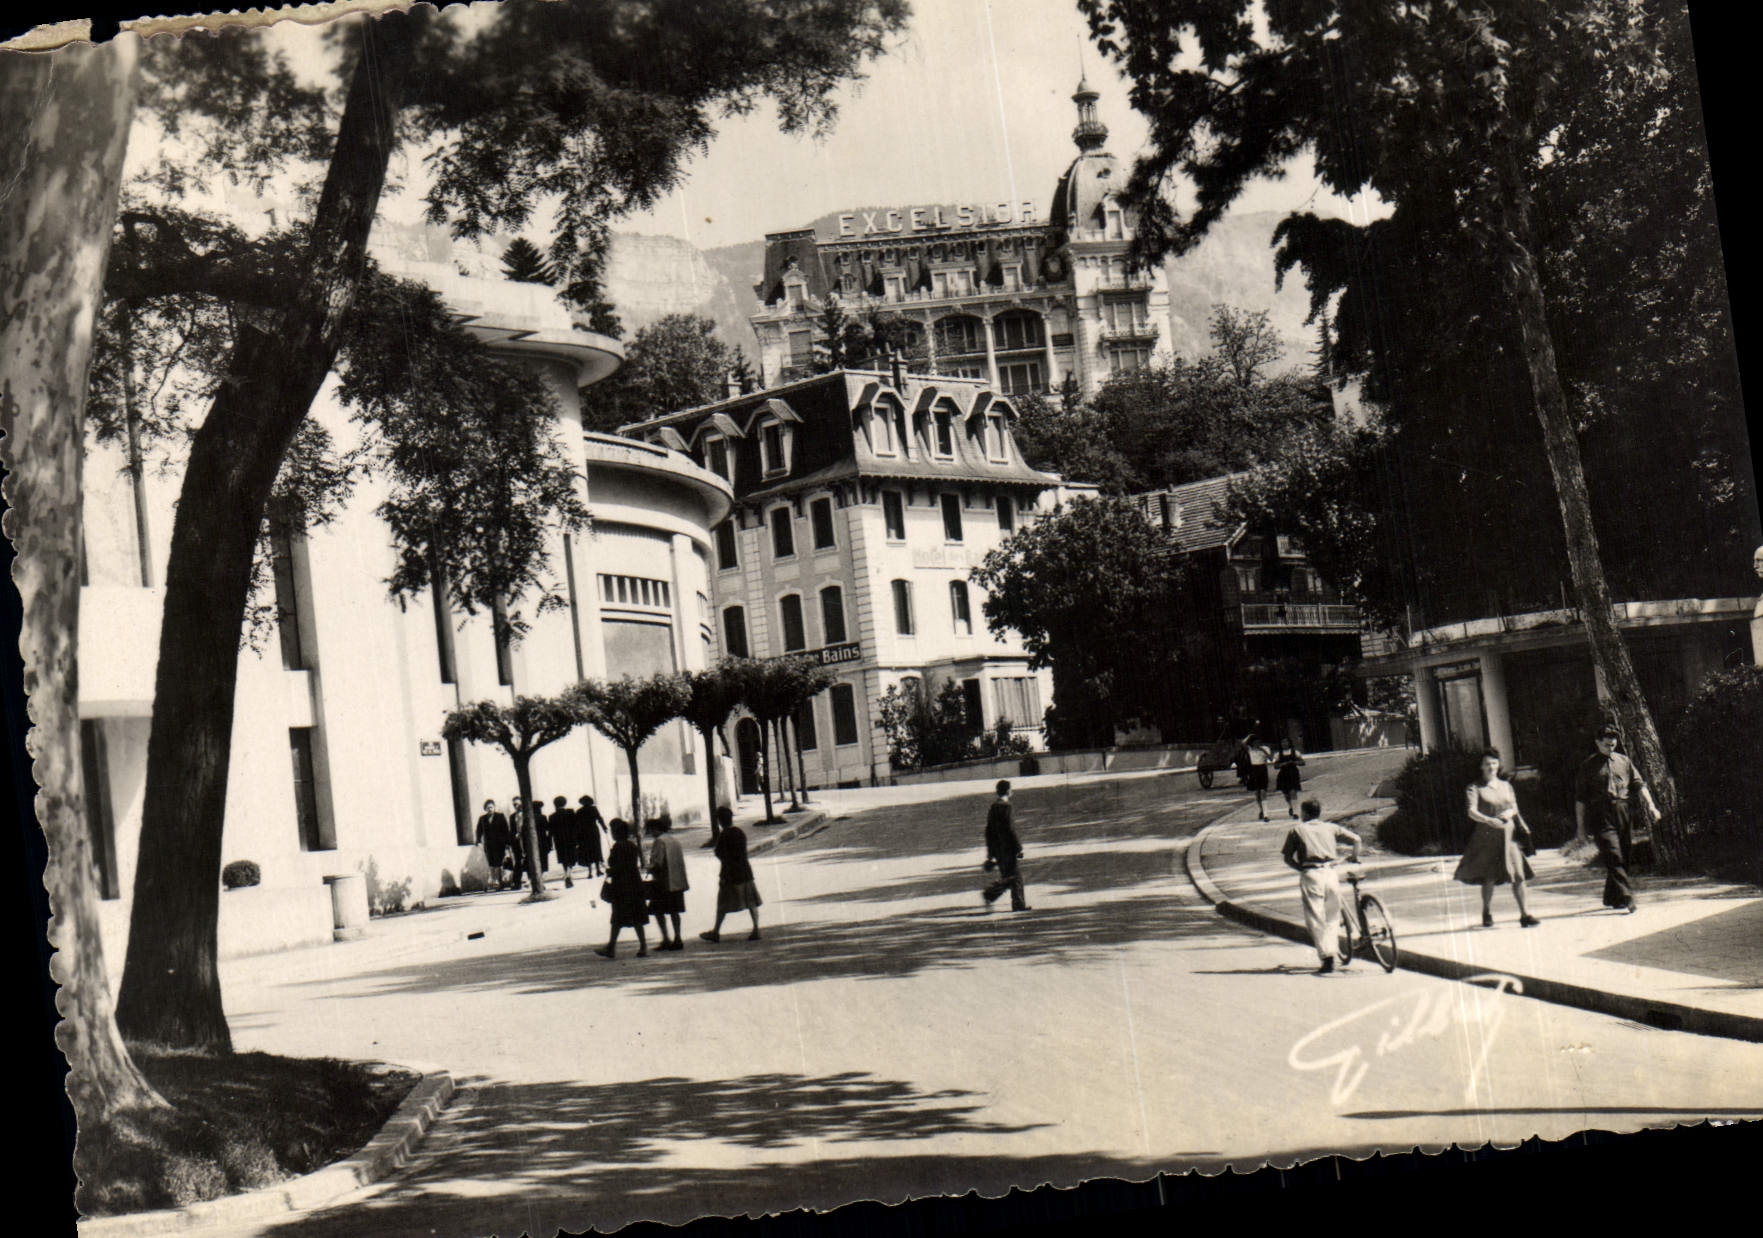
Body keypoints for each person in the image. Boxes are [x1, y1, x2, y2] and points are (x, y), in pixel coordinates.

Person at [1574, 724, 1660, 913]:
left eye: (1613, 743)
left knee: (1624, 854)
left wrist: (1651, 806)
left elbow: (1639, 785)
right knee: (1614, 855)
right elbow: (1580, 800)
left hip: (1622, 811)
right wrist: (1580, 828)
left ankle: (1612, 897)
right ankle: (1627, 897)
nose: (1610, 746)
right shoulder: (1588, 766)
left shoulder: (1624, 761)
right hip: (1600, 815)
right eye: (1607, 744)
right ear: (1597, 742)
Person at [1453, 747, 1539, 928]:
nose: (1491, 767)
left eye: (1494, 763)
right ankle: (1486, 911)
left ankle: (1525, 914)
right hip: (1487, 838)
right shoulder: (1474, 788)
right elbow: (1471, 811)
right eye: (1487, 764)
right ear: (1481, 766)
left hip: (1509, 836)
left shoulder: (1506, 786)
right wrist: (1488, 820)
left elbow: (1514, 807)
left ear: (1498, 765)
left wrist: (1510, 815)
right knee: (1489, 877)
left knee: (1518, 875)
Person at [1281, 798, 1362, 974]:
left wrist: (1300, 869)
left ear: (1304, 813)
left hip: (1311, 874)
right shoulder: (1331, 828)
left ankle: (1327, 957)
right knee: (1333, 916)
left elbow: (1287, 858)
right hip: (1331, 873)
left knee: (1315, 917)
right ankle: (1332, 949)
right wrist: (1354, 857)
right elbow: (1357, 839)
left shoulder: (1297, 830)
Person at [700, 806, 763, 943]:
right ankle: (756, 929)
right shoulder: (740, 832)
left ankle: (716, 931)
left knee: (722, 903)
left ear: (720, 821)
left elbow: (721, 855)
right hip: (745, 871)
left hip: (730, 873)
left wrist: (723, 876)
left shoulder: (724, 835)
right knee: (751, 901)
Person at [594, 819, 648, 959]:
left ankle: (611, 947)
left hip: (622, 887)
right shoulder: (632, 845)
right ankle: (642, 946)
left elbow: (618, 866)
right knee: (636, 917)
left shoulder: (618, 847)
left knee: (617, 919)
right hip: (635, 884)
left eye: (613, 831)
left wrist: (610, 871)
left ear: (617, 833)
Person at [981, 780, 1030, 911]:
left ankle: (993, 895)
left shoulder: (993, 807)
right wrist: (1019, 848)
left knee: (1009, 877)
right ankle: (1013, 903)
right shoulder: (1007, 806)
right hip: (1008, 848)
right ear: (1008, 791)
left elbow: (988, 831)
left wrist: (990, 853)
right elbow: (1010, 829)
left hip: (998, 850)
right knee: (1015, 877)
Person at [645, 816, 689, 950]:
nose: (650, 833)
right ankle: (678, 937)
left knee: (658, 911)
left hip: (663, 882)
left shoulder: (659, 841)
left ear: (655, 829)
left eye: (650, 830)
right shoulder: (674, 840)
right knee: (674, 911)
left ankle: (666, 938)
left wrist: (648, 867)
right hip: (677, 881)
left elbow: (657, 863)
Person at [474, 799, 513, 891]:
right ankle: (496, 883)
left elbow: (505, 830)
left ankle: (501, 882)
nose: (490, 809)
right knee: (492, 864)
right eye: (487, 808)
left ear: (494, 807)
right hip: (489, 845)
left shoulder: (500, 816)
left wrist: (507, 843)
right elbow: (479, 830)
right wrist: (478, 841)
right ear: (485, 809)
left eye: (491, 807)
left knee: (500, 863)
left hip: (500, 844)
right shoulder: (482, 819)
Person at [550, 795, 578, 888]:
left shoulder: (552, 816)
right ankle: (568, 875)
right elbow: (576, 826)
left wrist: (551, 843)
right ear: (565, 803)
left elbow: (551, 832)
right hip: (570, 839)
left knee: (564, 859)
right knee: (571, 859)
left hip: (559, 841)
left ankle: (567, 874)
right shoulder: (570, 812)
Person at [1274, 739, 1306, 818]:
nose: (1285, 744)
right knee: (1286, 794)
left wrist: (1294, 762)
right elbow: (1275, 766)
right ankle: (1291, 806)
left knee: (1293, 791)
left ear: (1289, 743)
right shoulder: (1278, 754)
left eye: (1286, 742)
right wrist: (1283, 764)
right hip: (1283, 774)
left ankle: (1295, 812)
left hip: (1293, 773)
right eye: (1283, 742)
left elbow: (1302, 762)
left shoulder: (1295, 752)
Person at [1244, 735, 1273, 821]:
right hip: (1253, 769)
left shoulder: (1265, 748)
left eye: (1258, 742)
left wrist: (1263, 750)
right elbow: (1242, 743)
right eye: (1254, 742)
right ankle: (1261, 810)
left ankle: (1266, 814)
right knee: (1257, 793)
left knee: (1263, 791)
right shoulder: (1250, 749)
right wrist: (1249, 735)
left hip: (1262, 768)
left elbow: (1271, 759)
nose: (1256, 743)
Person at [578, 795, 607, 878]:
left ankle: (590, 872)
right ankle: (598, 870)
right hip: (593, 831)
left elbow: (577, 824)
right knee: (596, 850)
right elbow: (599, 818)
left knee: (587, 852)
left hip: (584, 833)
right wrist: (604, 827)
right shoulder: (593, 809)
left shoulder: (579, 811)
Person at [507, 796, 528, 890]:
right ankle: (517, 883)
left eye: (518, 804)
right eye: (514, 804)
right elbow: (511, 830)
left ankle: (531, 880)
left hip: (526, 841)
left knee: (528, 860)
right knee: (518, 861)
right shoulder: (512, 817)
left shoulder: (526, 814)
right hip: (517, 842)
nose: (516, 806)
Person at [531, 797, 554, 876]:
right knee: (543, 860)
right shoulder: (542, 817)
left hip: (533, 842)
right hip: (543, 841)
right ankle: (541, 875)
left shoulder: (529, 818)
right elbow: (548, 830)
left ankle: (537, 875)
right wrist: (549, 843)